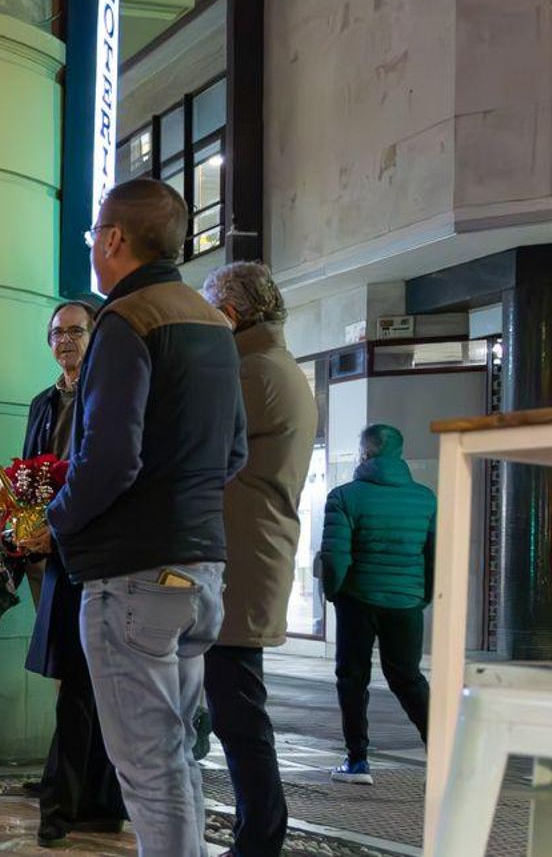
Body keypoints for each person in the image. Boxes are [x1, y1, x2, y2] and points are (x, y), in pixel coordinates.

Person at [23, 178, 246, 857]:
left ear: (116, 239)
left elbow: (110, 458)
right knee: (174, 758)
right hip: (198, 574)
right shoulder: (211, 321)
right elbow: (233, 451)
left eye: (96, 235)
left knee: (146, 770)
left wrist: (51, 521)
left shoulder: (126, 320)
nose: (95, 247)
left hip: (134, 579)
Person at [200, 262, 317, 855]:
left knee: (239, 715)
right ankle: (258, 834)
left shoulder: (253, 371)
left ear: (232, 312)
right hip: (248, 551)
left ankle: (260, 839)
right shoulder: (271, 365)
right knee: (235, 709)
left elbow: (200, 446)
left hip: (240, 558)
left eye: (209, 308)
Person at [22, 300, 126, 848]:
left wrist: (56, 530)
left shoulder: (107, 395)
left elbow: (106, 475)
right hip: (51, 558)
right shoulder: (44, 402)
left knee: (87, 683)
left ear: (95, 338)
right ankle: (94, 802)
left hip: (95, 554)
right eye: (58, 333)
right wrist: (23, 530)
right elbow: (29, 475)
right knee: (79, 680)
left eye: (76, 331)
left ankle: (60, 803)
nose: (66, 340)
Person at [321, 424, 436, 787]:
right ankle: (444, 752)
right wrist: (422, 595)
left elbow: (334, 557)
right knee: (408, 678)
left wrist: (334, 592)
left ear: (365, 453)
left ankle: (357, 762)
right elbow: (434, 556)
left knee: (352, 679)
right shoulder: (425, 498)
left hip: (357, 600)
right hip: (407, 603)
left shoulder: (344, 496)